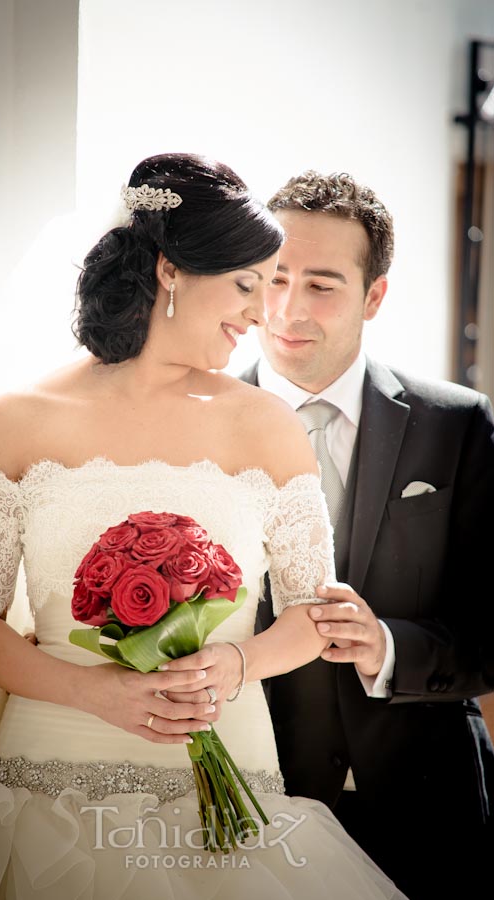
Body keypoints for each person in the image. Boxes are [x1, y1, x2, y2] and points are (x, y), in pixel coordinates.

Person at [0, 154, 407, 900]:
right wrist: (92, 692)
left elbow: (311, 615)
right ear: (171, 271)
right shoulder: (16, 421)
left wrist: (235, 666)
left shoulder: (267, 425)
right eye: (246, 284)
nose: (261, 312)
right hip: (48, 784)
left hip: (227, 773)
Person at [243, 170, 494, 900]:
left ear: (372, 295)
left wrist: (389, 646)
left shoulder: (456, 424)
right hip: (258, 804)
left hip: (427, 809)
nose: (288, 310)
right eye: (273, 278)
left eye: (321, 285)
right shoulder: (192, 424)